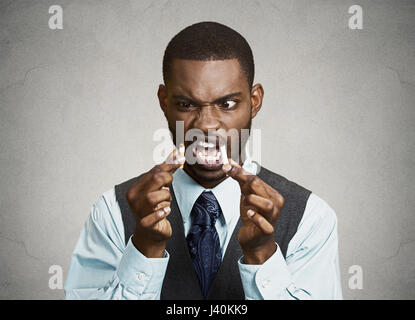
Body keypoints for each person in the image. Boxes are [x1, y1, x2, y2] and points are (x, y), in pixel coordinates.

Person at [64, 21, 342, 300]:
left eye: (228, 104)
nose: (206, 125)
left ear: (254, 101)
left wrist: (262, 256)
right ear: (164, 102)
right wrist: (144, 250)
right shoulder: (111, 211)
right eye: (186, 104)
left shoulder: (310, 218)